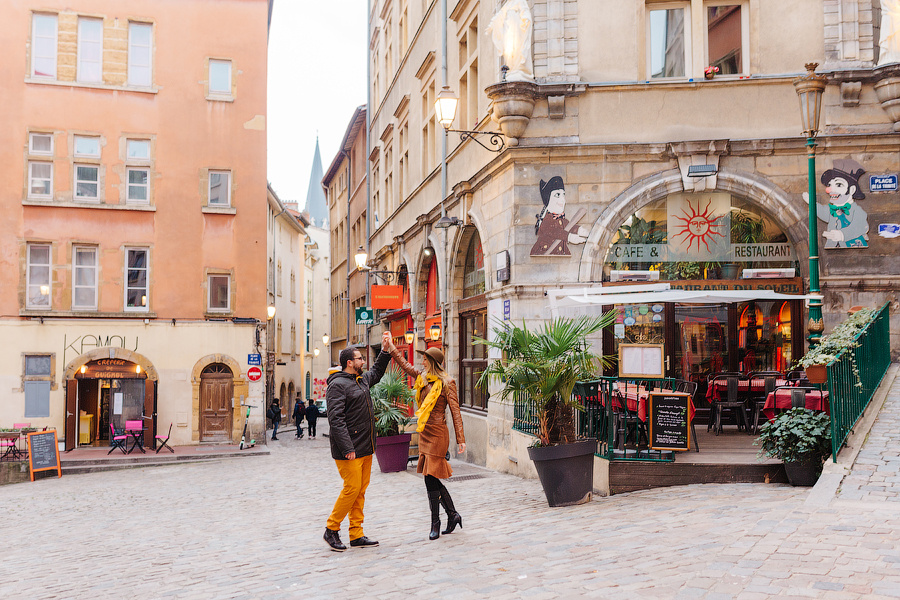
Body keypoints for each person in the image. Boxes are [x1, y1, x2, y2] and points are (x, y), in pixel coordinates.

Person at [386, 340, 466, 540]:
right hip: (425, 431)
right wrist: (391, 347)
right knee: (430, 477)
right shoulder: (422, 377)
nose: (421, 361)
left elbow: (455, 411)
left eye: (424, 358)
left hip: (438, 433)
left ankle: (435, 523)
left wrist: (461, 439)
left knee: (430, 476)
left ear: (432, 361)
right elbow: (405, 365)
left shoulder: (448, 383)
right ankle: (452, 514)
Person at [323, 332, 393, 552]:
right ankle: (331, 529)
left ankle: (356, 533)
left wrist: (385, 350)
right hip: (349, 449)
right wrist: (347, 448)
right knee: (351, 488)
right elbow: (336, 419)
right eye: (360, 358)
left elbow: (378, 372)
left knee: (360, 490)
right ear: (349, 363)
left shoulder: (361, 380)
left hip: (365, 446)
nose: (364, 361)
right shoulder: (337, 385)